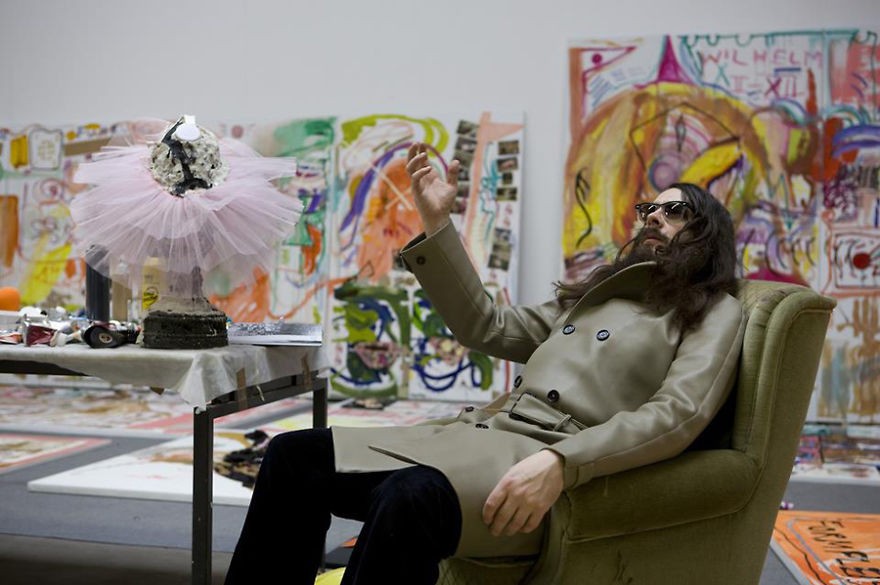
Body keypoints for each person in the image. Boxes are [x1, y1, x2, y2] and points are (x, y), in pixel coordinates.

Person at [224, 144, 746, 585]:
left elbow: (677, 414)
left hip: (551, 466)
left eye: (675, 211)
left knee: (409, 498)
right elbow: (486, 326)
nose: (653, 216)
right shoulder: (597, 297)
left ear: (707, 234)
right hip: (480, 437)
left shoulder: (713, 310)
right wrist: (438, 222)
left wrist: (563, 462)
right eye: (650, 207)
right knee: (293, 456)